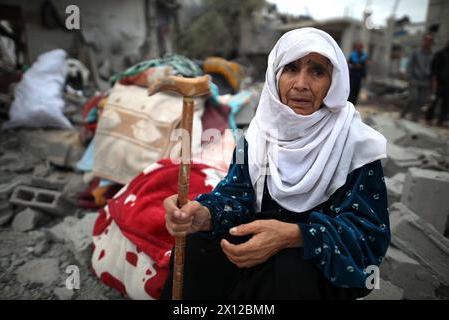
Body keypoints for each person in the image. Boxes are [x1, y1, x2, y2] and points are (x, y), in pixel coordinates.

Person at [161, 27, 390, 300]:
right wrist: (206, 214)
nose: (302, 84)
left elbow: (368, 237)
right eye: (291, 69)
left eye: (317, 71)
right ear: (276, 75)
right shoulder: (258, 135)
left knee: (285, 270)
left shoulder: (357, 144)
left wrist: (296, 236)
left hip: (317, 262)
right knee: (197, 243)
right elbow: (236, 196)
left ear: (334, 83)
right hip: (259, 246)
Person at [401, 33, 434, 121]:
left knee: (421, 100)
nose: (427, 42)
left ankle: (415, 118)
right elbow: (410, 65)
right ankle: (404, 114)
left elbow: (433, 69)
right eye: (426, 40)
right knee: (413, 98)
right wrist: (409, 77)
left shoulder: (432, 55)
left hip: (425, 81)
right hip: (415, 79)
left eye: (430, 41)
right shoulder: (416, 52)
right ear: (423, 41)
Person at [426, 39, 449, 126]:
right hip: (439, 83)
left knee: (446, 103)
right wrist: (434, 82)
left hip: (447, 84)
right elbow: (434, 70)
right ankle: (429, 118)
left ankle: (441, 120)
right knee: (434, 101)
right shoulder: (440, 54)